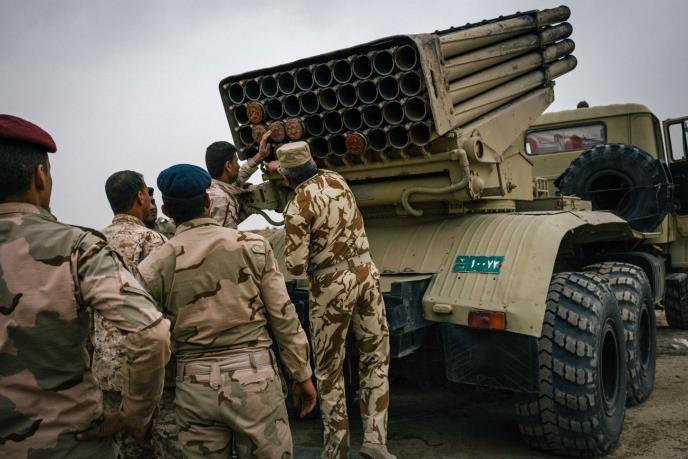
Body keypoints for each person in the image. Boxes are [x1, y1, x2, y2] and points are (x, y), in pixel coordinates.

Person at [0, 114, 171, 458]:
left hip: (104, 365)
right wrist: (134, 416)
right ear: (40, 177)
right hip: (68, 439)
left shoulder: (101, 236)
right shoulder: (77, 246)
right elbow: (151, 332)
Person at [136, 164, 317, 458]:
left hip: (194, 387)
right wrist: (302, 374)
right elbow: (284, 317)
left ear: (167, 210)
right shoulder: (253, 246)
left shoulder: (153, 266)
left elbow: (149, 341)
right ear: (207, 202)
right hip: (255, 381)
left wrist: (143, 406)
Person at [276, 141, 394, 459]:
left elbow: (295, 266)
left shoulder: (298, 204)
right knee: (375, 360)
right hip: (367, 274)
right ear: (313, 163)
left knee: (329, 372)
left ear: (286, 177)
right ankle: (376, 442)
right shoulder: (337, 179)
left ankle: (336, 450)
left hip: (331, 287)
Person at [95, 170, 180, 458]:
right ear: (141, 197)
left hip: (107, 370)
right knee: (164, 444)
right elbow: (169, 303)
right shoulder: (151, 240)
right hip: (149, 368)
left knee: (121, 448)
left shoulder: (93, 242)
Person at [204, 133, 275, 228]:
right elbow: (224, 236)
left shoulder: (211, 185)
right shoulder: (222, 200)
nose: (238, 166)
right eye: (236, 161)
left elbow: (239, 176)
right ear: (228, 166)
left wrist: (260, 155)